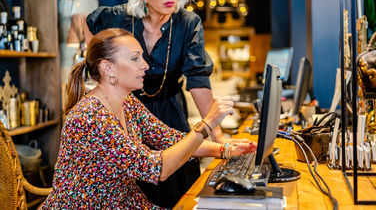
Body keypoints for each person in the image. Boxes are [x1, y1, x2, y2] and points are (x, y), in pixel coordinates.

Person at [85, 0, 254, 208]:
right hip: (124, 111)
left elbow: (198, 81)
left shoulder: (187, 23)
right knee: (135, 186)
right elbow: (87, 23)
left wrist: (221, 142)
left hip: (168, 109)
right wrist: (103, 76)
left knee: (178, 187)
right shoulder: (116, 18)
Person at [41, 28, 256, 209]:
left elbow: (170, 138)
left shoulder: (127, 102)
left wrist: (224, 150)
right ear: (108, 68)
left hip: (123, 202)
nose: (145, 65)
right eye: (135, 59)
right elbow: (156, 168)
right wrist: (207, 123)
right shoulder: (89, 117)